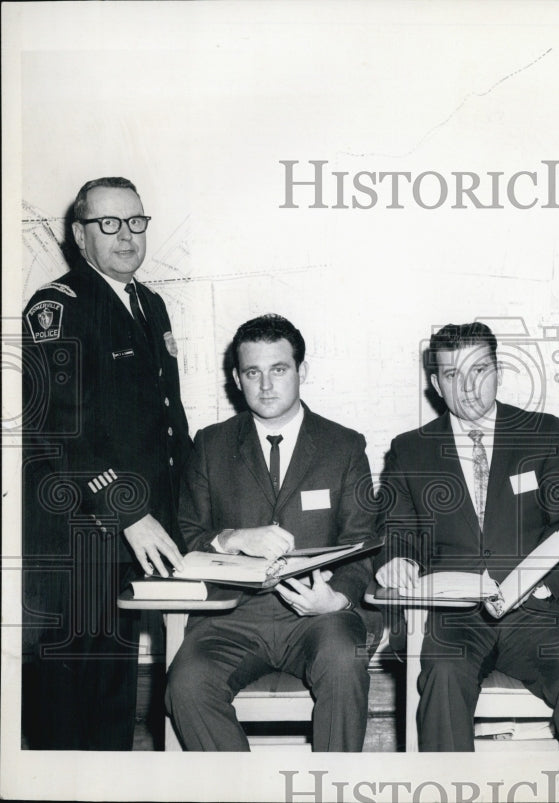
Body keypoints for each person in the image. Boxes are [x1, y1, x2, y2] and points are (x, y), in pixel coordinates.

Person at [375, 321, 559, 751]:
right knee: (444, 674)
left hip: (538, 610)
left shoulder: (541, 432)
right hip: (454, 616)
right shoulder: (410, 449)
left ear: (498, 370)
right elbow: (396, 531)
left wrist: (543, 586)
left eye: (479, 371)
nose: (467, 388)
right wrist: (399, 560)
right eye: (452, 375)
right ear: (435, 384)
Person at [21, 177, 192, 750]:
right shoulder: (57, 308)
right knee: (77, 690)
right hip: (85, 530)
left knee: (118, 686)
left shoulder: (150, 303)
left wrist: (187, 511)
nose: (126, 236)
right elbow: (58, 428)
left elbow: (170, 421)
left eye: (136, 222)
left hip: (142, 527)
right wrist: (128, 511)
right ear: (80, 235)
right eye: (109, 224)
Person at [164, 314, 378, 751]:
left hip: (322, 617)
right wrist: (231, 538)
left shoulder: (344, 446)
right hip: (232, 617)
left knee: (343, 662)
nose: (265, 385)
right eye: (252, 372)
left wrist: (335, 599)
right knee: (185, 684)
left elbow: (365, 543)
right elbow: (187, 536)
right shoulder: (210, 444)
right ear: (236, 379)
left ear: (301, 371)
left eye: (278, 370)